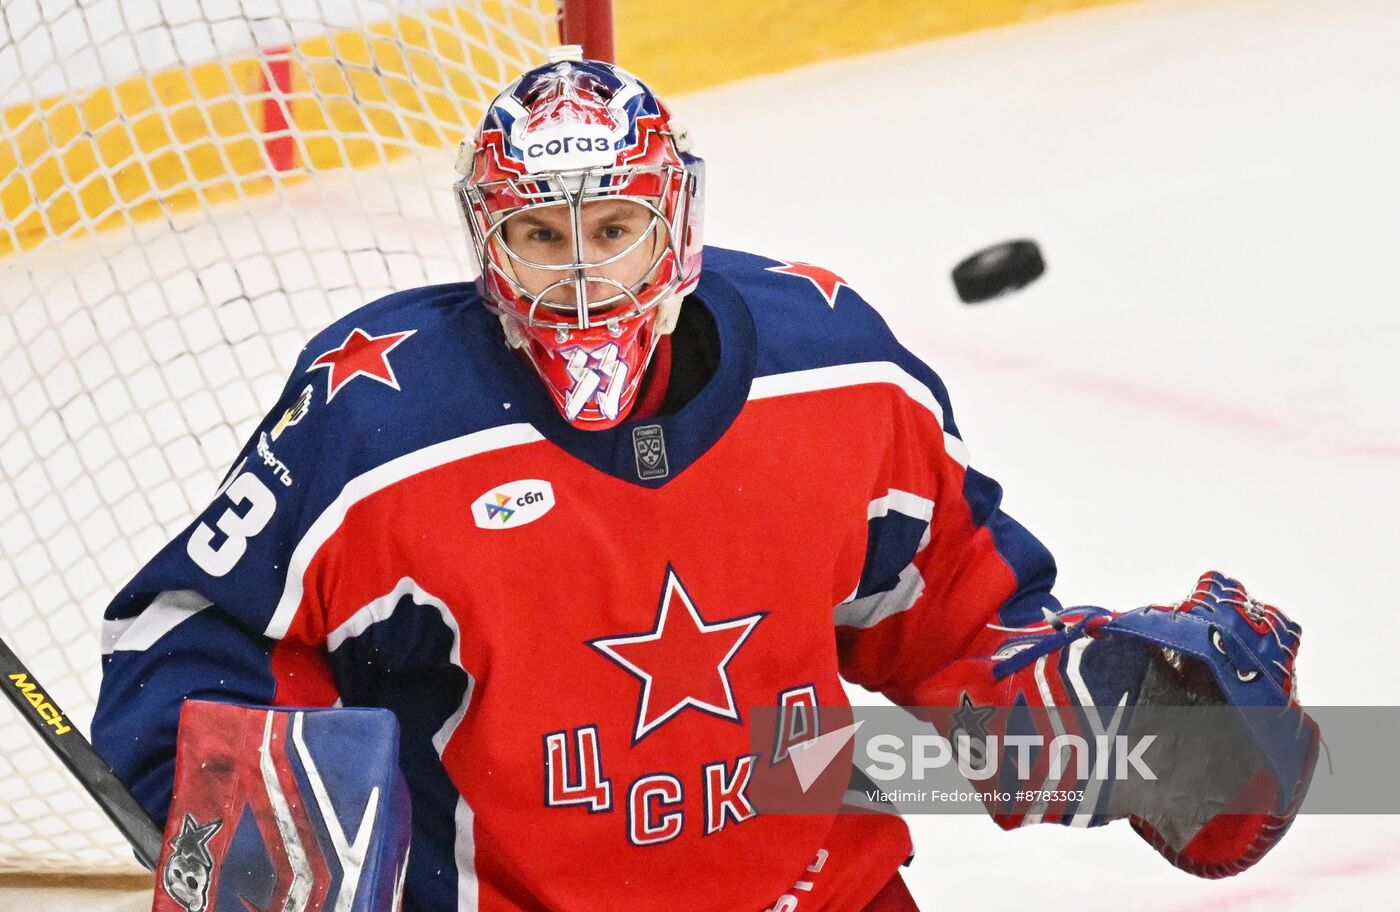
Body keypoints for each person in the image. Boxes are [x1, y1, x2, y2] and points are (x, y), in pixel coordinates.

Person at [94, 55, 1318, 911]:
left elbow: (945, 598)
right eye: (537, 235)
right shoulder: (387, 421)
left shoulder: (835, 374)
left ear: (673, 220)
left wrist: (1084, 701)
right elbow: (193, 632)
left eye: (611, 226)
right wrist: (237, 801)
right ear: (485, 238)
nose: (578, 274)